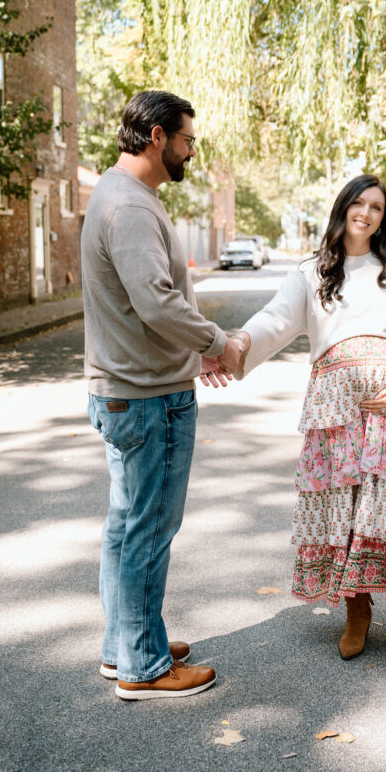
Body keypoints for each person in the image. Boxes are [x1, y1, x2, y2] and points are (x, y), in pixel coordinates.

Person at [204, 174, 386, 659]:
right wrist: (237, 347)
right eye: (358, 203)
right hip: (335, 407)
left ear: (385, 217)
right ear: (343, 209)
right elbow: (277, 319)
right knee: (346, 506)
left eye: (377, 207)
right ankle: (357, 610)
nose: (367, 213)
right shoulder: (313, 271)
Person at [82, 90, 241, 700]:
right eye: (186, 140)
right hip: (146, 399)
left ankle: (125, 641)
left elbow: (146, 300)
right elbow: (154, 301)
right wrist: (217, 341)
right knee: (149, 527)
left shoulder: (122, 195)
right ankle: (143, 667)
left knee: (127, 526)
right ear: (156, 137)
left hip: (132, 389)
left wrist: (193, 346)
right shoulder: (129, 206)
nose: (191, 150)